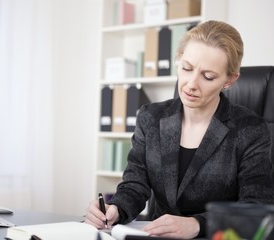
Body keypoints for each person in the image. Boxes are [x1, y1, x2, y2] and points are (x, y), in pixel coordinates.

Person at [85, 20, 274, 239]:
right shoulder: (150, 118)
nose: (191, 83)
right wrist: (115, 208)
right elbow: (135, 185)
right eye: (186, 68)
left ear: (230, 80)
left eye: (208, 76)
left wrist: (197, 224)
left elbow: (255, 206)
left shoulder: (250, 129)